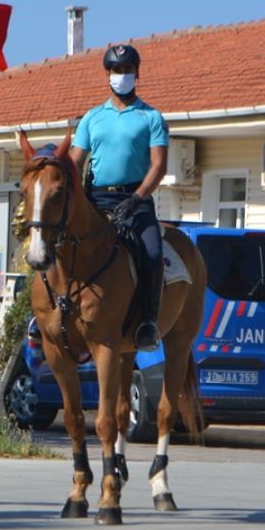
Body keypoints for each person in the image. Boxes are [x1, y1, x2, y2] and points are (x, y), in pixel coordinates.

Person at [69, 43, 169, 351]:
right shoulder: (92, 117)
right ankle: (46, 315)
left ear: (137, 73)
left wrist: (138, 198)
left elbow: (159, 166)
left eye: (126, 71)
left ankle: (148, 322)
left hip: (135, 202)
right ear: (107, 74)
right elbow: (74, 161)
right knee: (57, 245)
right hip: (96, 201)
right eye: (116, 71)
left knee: (152, 254)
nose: (121, 76)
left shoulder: (151, 117)